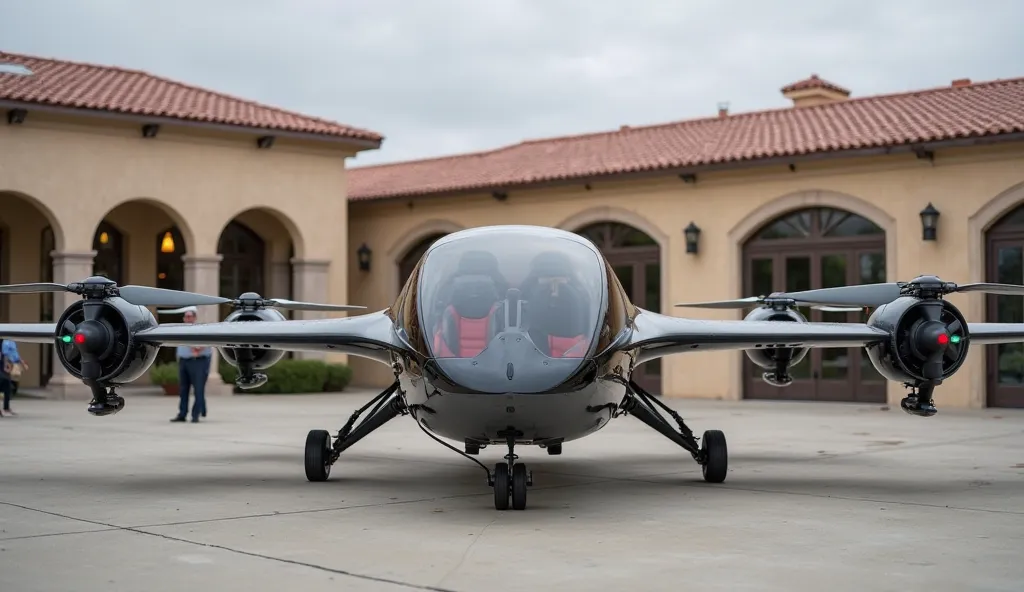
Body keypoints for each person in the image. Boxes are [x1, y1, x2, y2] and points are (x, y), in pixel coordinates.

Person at [163, 306, 211, 423]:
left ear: (194, 317)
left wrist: (199, 349)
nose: (187, 318)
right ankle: (182, 414)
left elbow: (208, 344)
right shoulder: (181, 329)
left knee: (198, 389)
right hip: (184, 362)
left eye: (189, 316)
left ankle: (196, 415)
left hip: (198, 362)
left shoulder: (200, 329)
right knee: (183, 389)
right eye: (186, 316)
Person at [0, 338, 27, 417]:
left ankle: (6, 408)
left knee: (7, 387)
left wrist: (21, 363)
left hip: (3, 370)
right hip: (2, 371)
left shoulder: (6, 342)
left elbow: (12, 354)